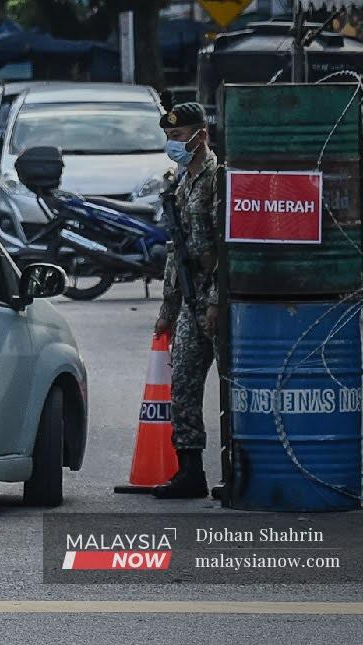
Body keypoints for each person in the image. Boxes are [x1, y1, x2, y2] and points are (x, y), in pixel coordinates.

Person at [152, 101, 220, 500]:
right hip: (190, 298)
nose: (172, 143)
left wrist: (213, 301)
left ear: (200, 135)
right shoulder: (182, 180)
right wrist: (167, 310)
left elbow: (225, 248)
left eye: (178, 136)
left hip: (217, 299)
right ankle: (190, 470)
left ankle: (239, 469)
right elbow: (176, 251)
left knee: (233, 389)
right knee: (183, 385)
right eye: (169, 137)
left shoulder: (217, 178)